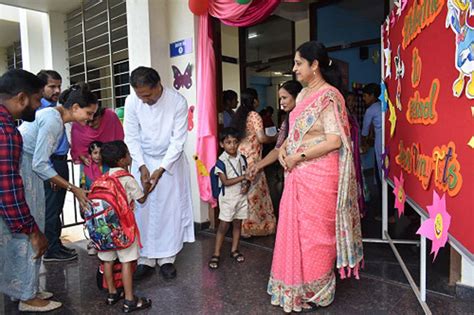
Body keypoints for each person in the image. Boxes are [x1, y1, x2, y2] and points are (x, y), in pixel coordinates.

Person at [267, 41, 363, 313]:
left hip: (320, 175)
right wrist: (285, 150)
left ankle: (317, 291)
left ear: (315, 65)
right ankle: (294, 286)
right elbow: (295, 131)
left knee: (316, 236)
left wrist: (299, 157)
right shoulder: (306, 93)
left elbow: (334, 140)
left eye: (299, 63)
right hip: (297, 175)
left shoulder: (329, 96)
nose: (294, 68)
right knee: (295, 231)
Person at [0, 69, 62, 312]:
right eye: (37, 100)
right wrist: (32, 230)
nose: (38, 107)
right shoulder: (6, 132)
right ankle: (25, 295)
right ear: (22, 98)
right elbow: (7, 189)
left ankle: (21, 290)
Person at [124, 66, 194, 281]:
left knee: (169, 210)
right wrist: (143, 166)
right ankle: (145, 258)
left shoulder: (177, 102)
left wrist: (161, 168)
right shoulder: (131, 101)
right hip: (142, 159)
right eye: (139, 95)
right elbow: (131, 136)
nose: (144, 100)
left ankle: (167, 258)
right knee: (142, 210)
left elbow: (178, 141)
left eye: (147, 95)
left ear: (157, 86)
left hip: (169, 163)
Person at [99, 140, 152, 313]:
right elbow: (141, 199)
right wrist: (147, 187)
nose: (130, 157)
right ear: (122, 160)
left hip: (105, 230)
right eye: (128, 154)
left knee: (107, 260)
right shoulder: (127, 179)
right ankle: (130, 300)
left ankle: (112, 293)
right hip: (124, 230)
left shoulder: (103, 179)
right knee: (126, 263)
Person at [36, 70, 78, 262]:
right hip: (51, 163)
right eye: (52, 86)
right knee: (51, 209)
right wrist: (50, 172)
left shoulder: (56, 108)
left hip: (61, 161)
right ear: (41, 87)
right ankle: (51, 249)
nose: (57, 90)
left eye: (59, 86)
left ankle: (56, 244)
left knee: (57, 207)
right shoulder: (41, 111)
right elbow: (43, 147)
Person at [230, 88, 276, 237]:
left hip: (240, 156)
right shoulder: (254, 115)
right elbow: (262, 138)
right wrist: (275, 138)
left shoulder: (238, 116)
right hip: (253, 157)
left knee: (243, 191)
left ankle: (242, 228)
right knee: (254, 193)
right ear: (254, 100)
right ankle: (254, 227)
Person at [208, 127, 251, 270]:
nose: (232, 145)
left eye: (235, 142)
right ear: (222, 144)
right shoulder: (221, 162)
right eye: (228, 142)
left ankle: (234, 250)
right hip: (228, 197)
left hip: (241, 196)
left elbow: (247, 175)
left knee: (238, 224)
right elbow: (225, 182)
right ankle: (216, 253)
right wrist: (243, 178)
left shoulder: (242, 158)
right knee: (223, 226)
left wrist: (247, 183)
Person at [249, 80, 303, 176]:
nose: (281, 102)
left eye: (284, 98)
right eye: (280, 99)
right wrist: (258, 166)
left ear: (298, 97)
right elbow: (277, 149)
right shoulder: (286, 123)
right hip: (292, 171)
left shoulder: (308, 118)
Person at [70, 102, 124, 189]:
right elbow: (77, 147)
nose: (90, 124)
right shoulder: (78, 123)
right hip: (88, 165)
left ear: (100, 116)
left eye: (93, 121)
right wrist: (82, 157)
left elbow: (119, 142)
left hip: (110, 163)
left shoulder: (110, 117)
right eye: (87, 122)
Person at [346, 92, 366, 217]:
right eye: (349, 100)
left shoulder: (351, 114)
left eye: (353, 100)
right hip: (349, 151)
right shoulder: (345, 114)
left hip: (355, 150)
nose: (352, 102)